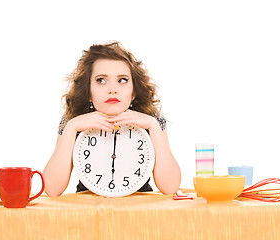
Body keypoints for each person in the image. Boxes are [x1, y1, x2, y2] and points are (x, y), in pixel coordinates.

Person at [43, 41, 181, 197]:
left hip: (139, 210)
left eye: (122, 80)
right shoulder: (74, 122)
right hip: (88, 210)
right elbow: (52, 189)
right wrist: (71, 127)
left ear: (134, 91)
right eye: (101, 80)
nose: (112, 90)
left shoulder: (151, 120)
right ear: (88, 91)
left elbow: (170, 188)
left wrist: (153, 125)